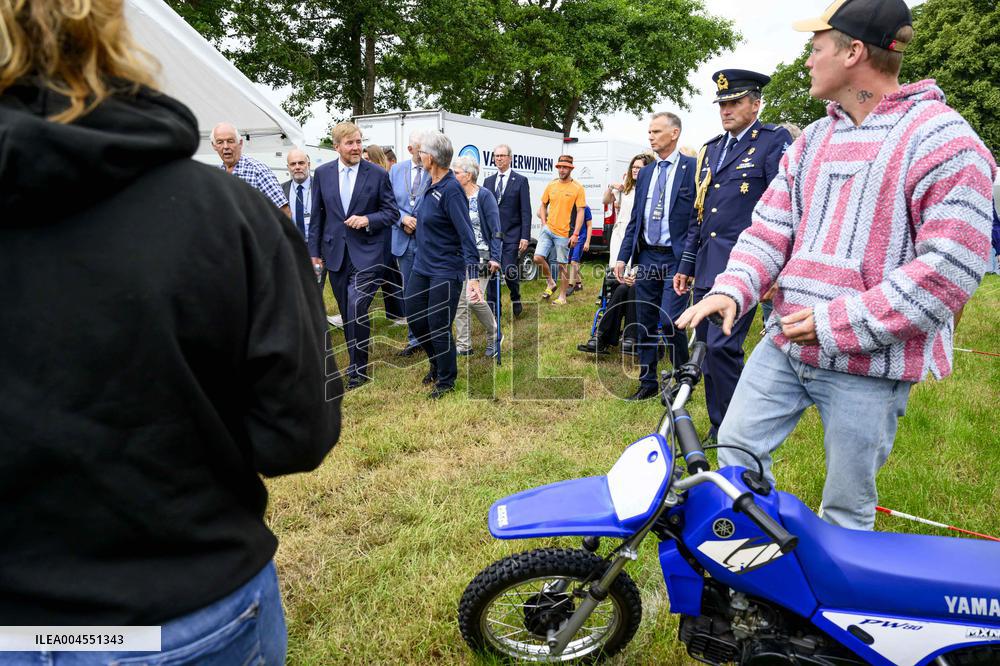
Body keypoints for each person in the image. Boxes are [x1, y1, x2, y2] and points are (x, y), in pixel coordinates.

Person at [0, 1, 340, 661]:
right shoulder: (226, 215)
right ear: (110, 31)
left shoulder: (239, 203)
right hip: (183, 604)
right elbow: (296, 432)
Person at [677, 0, 996, 531]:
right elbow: (770, 228)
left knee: (846, 508)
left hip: (871, 365)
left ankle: (832, 587)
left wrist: (835, 324)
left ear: (853, 53)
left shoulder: (945, 140)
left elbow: (951, 267)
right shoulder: (811, 140)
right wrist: (733, 288)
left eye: (816, 48)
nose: (807, 60)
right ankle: (761, 571)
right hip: (785, 344)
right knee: (735, 454)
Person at [672, 70, 793, 438]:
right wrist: (687, 262)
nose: (726, 110)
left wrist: (779, 269)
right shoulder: (710, 149)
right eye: (722, 104)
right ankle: (720, 423)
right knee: (706, 348)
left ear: (756, 105)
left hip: (747, 265)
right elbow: (700, 213)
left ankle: (734, 427)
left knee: (723, 345)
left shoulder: (772, 141)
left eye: (735, 102)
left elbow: (785, 209)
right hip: (709, 262)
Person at [308, 121, 399, 390]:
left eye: (359, 142)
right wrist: (314, 253)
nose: (356, 147)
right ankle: (355, 360)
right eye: (350, 143)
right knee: (347, 312)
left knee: (356, 306)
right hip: (335, 254)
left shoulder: (377, 174)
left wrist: (367, 219)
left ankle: (358, 370)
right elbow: (318, 217)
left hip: (369, 254)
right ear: (337, 147)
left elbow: (391, 213)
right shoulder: (322, 174)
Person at [614, 112, 696, 401]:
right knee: (645, 320)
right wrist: (623, 257)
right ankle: (647, 381)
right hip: (648, 257)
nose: (650, 137)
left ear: (674, 133)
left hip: (676, 259)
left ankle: (684, 379)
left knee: (671, 321)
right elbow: (636, 219)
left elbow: (696, 221)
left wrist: (689, 262)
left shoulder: (693, 169)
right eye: (649, 132)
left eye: (656, 131)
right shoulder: (647, 173)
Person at [405, 132, 483, 398]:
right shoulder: (430, 181)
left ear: (432, 157)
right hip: (422, 265)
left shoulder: (451, 190)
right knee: (416, 318)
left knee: (438, 325)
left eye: (422, 151)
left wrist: (473, 277)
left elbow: (467, 236)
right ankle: (436, 363)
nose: (419, 155)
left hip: (445, 270)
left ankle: (447, 380)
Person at [452, 156, 503, 357]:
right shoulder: (455, 196)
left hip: (482, 255)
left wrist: (496, 257)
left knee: (473, 299)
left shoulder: (484, 196)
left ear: (468, 175)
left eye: (456, 172)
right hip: (459, 256)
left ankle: (495, 334)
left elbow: (496, 229)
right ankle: (464, 345)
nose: (453, 175)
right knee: (460, 302)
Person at [389, 131, 432, 356]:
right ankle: (414, 339)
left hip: (428, 241)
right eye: (421, 149)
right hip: (403, 240)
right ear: (410, 150)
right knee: (409, 291)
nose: (425, 152)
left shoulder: (434, 170)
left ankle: (431, 335)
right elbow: (387, 202)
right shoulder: (396, 171)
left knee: (430, 289)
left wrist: (418, 223)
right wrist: (402, 219)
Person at [483, 144, 533, 318]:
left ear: (510, 158)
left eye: (502, 155)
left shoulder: (520, 181)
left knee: (509, 271)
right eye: (496, 156)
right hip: (492, 236)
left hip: (512, 234)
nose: (499, 159)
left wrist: (525, 236)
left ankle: (515, 296)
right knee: (491, 271)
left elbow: (526, 211)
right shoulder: (488, 182)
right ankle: (494, 310)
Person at [535, 155, 586, 305]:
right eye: (560, 167)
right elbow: (543, 205)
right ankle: (551, 282)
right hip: (548, 229)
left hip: (564, 233)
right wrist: (544, 223)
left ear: (571, 168)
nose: (562, 170)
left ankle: (562, 297)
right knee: (537, 258)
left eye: (565, 167)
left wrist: (575, 234)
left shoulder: (577, 188)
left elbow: (581, 212)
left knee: (562, 265)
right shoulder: (552, 185)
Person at [211, 121, 290, 216]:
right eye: (220, 142)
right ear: (214, 146)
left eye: (230, 141)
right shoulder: (218, 175)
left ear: (240, 143)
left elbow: (285, 213)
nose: (225, 146)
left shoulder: (258, 171)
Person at [365, 143, 406, 323]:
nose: (364, 162)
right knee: (390, 275)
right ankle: (398, 313)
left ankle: (355, 310)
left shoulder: (383, 178)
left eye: (368, 159)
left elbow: (391, 208)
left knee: (381, 274)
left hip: (387, 232)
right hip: (375, 233)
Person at [577, 268, 639, 356]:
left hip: (647, 285)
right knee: (622, 289)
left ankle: (631, 337)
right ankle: (601, 335)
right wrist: (623, 276)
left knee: (635, 288)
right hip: (625, 280)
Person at [282, 147, 312, 241]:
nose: (297, 167)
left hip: (318, 245)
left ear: (308, 165)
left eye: (301, 163)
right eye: (293, 164)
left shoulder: (320, 186)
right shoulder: (281, 190)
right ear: (288, 167)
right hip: (292, 245)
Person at [566, 205, 593, 296]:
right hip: (571, 237)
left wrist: (587, 242)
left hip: (581, 237)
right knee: (571, 262)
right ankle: (579, 284)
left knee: (574, 261)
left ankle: (570, 286)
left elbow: (589, 226)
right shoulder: (569, 206)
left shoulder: (586, 208)